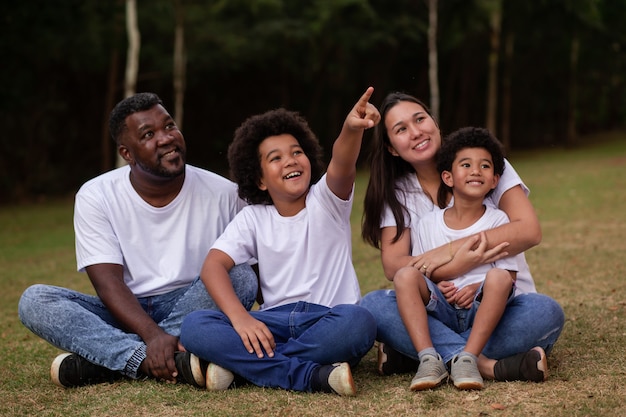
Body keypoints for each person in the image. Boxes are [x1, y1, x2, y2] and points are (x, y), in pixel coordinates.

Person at [18, 92, 258, 388]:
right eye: (148, 134)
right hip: (124, 310)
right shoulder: (97, 195)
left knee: (241, 276)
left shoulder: (224, 194)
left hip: (193, 305)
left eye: (169, 126)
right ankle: (154, 359)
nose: (166, 138)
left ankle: (109, 363)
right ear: (127, 153)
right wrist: (153, 336)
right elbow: (108, 283)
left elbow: (256, 273)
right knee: (35, 300)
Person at [179, 87, 380, 396]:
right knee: (195, 325)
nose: (290, 161)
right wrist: (242, 319)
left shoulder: (327, 200)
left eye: (297, 152)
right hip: (271, 323)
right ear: (259, 179)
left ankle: (245, 368)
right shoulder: (253, 218)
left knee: (360, 320)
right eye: (276, 158)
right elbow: (213, 266)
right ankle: (311, 376)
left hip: (326, 320)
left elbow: (342, 160)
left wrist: (351, 128)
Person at [360, 92, 565, 384]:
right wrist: (454, 266)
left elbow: (529, 231)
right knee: (373, 306)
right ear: (391, 148)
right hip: (438, 307)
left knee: (546, 312)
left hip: (500, 309)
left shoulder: (485, 164)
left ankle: (416, 354)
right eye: (401, 129)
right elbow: (395, 267)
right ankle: (483, 365)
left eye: (420, 119)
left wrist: (452, 249)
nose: (416, 131)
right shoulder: (398, 193)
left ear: (435, 122)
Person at [396, 126, 530, 391]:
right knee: (397, 283)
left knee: (544, 310)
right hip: (441, 310)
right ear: (448, 177)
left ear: (494, 180)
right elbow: (420, 274)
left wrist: (475, 289)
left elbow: (508, 278)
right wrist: (437, 283)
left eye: (484, 166)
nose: (475, 171)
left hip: (484, 312)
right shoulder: (426, 224)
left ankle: (467, 358)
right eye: (466, 165)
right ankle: (428, 358)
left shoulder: (498, 221)